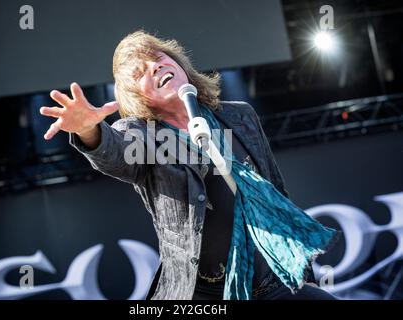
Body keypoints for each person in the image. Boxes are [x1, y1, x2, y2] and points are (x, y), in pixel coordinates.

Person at [39, 30, 339, 300]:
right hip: (203, 296)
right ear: (137, 96)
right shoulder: (145, 137)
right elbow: (114, 153)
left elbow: (279, 199)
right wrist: (88, 130)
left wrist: (305, 277)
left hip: (274, 284)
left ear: (179, 64)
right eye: (140, 72)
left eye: (158, 58)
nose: (155, 66)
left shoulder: (238, 117)